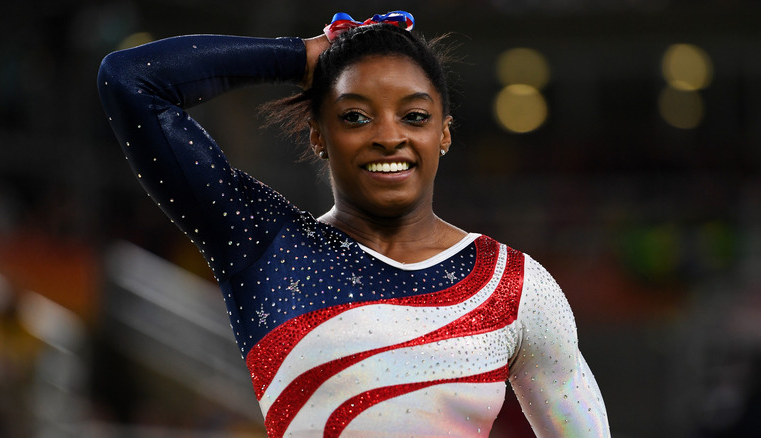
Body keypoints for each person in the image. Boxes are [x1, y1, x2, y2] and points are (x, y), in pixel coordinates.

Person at [97, 10, 610, 437]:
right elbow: (130, 80)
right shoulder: (266, 248)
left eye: (414, 116)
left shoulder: (515, 286)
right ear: (319, 137)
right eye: (355, 116)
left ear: (444, 134)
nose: (389, 136)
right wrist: (302, 56)